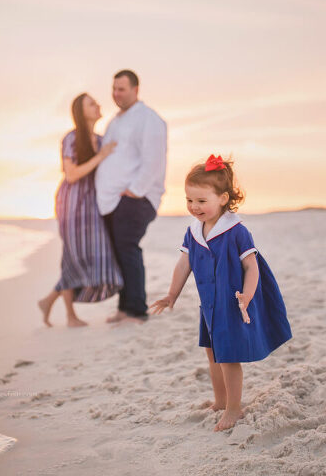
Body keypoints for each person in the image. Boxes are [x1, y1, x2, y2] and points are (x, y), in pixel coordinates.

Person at [150, 155, 292, 431]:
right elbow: (184, 264)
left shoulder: (236, 231)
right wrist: (171, 295)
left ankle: (234, 409)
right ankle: (220, 400)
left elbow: (252, 267)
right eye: (189, 200)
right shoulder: (194, 231)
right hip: (210, 306)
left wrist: (247, 296)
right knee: (212, 353)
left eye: (202, 201)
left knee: (228, 358)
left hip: (231, 304)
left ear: (224, 198)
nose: (194, 207)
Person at [37, 93, 123, 327]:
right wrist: (101, 156)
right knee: (73, 255)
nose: (98, 106)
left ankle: (49, 300)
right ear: (80, 111)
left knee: (88, 255)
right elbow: (72, 174)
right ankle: (70, 315)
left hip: (93, 203)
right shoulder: (72, 138)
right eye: (91, 104)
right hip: (72, 202)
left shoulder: (101, 139)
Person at [95, 69, 167, 324]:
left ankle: (136, 310)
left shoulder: (149, 119)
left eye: (122, 89)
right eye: (114, 89)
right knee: (119, 252)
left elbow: (153, 160)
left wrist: (135, 191)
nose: (116, 94)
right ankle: (124, 308)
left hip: (136, 198)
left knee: (128, 249)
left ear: (136, 89)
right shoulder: (114, 121)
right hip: (113, 200)